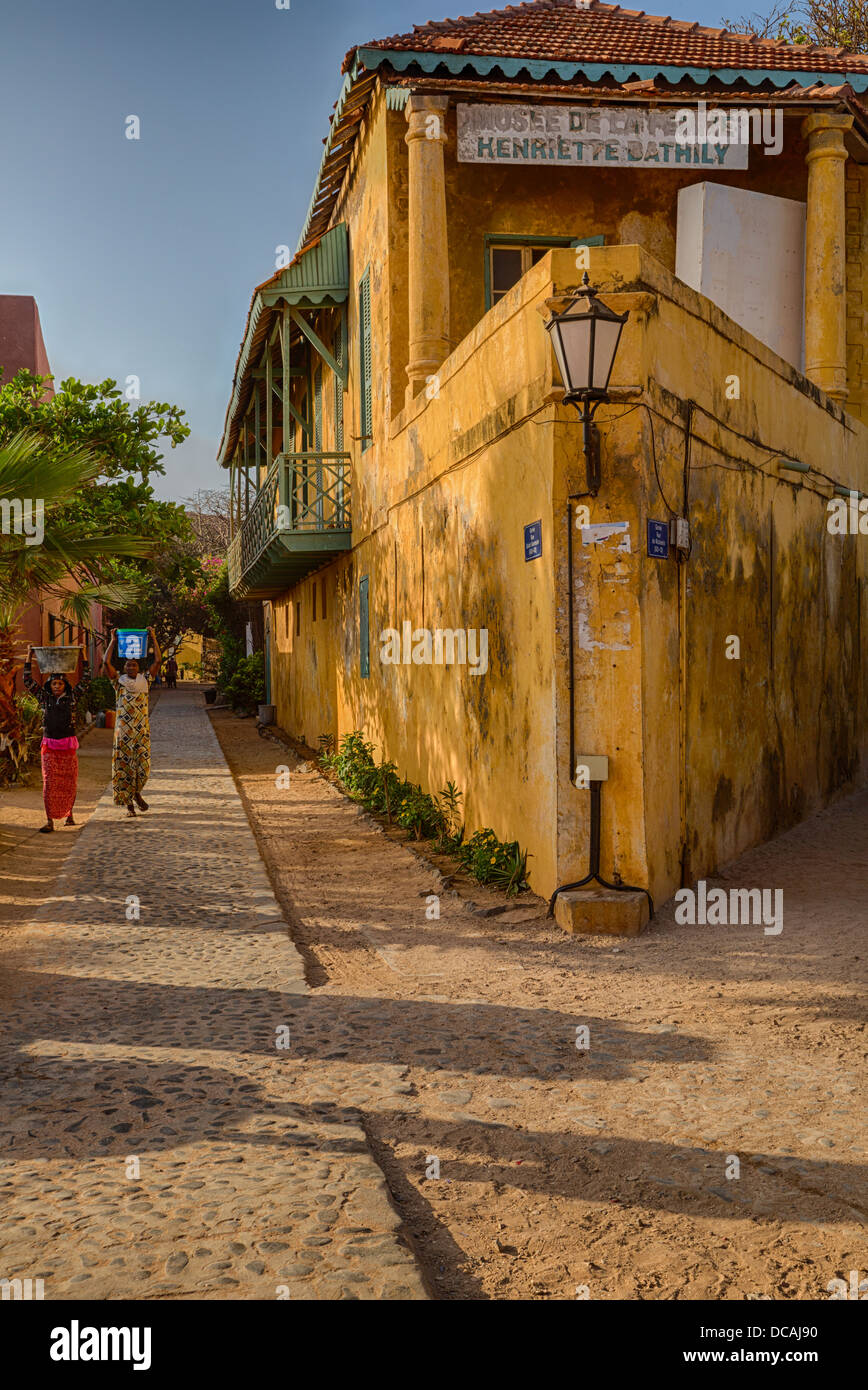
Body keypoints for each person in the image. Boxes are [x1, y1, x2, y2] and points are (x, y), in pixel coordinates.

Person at [23, 646, 90, 833]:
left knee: (69, 782)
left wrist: (83, 655)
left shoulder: (73, 698)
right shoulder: (44, 699)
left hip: (68, 747)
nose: (57, 687)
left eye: (60, 684)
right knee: (49, 783)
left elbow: (86, 678)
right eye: (54, 684)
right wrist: (30, 655)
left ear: (65, 686)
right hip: (49, 747)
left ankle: (69, 815)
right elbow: (27, 680)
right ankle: (49, 820)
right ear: (49, 686)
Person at [103, 625, 161, 818]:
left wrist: (152, 637)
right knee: (124, 767)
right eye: (128, 665)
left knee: (142, 767)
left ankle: (137, 793)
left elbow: (158, 660)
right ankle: (129, 804)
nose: (131, 667)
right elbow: (105, 663)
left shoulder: (145, 682)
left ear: (139, 667)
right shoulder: (118, 683)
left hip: (141, 732)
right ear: (124, 667)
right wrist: (113, 640)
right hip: (124, 734)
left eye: (134, 665)